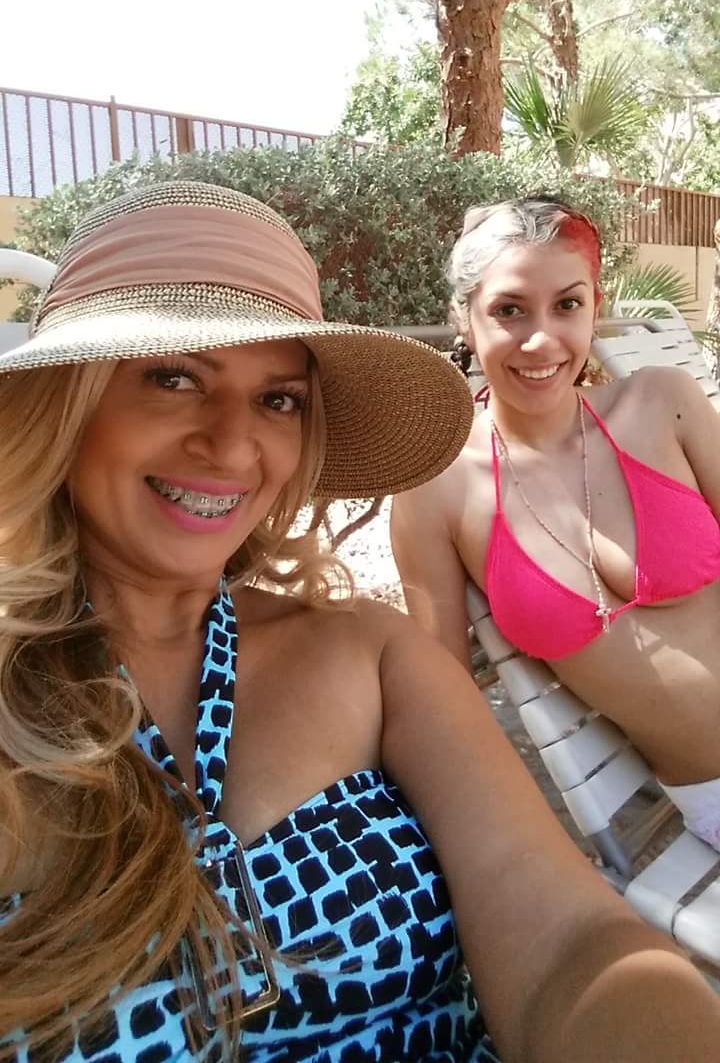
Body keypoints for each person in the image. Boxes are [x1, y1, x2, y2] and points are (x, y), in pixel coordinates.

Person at [1, 181, 719, 1063]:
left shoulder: (368, 653)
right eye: (174, 378)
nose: (231, 445)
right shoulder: (444, 497)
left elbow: (573, 944)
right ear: (67, 403)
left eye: (279, 399)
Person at [391, 194, 720, 854]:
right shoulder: (436, 490)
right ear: (463, 318)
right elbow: (442, 698)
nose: (541, 340)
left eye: (567, 305)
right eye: (509, 310)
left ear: (596, 304)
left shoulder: (663, 402)